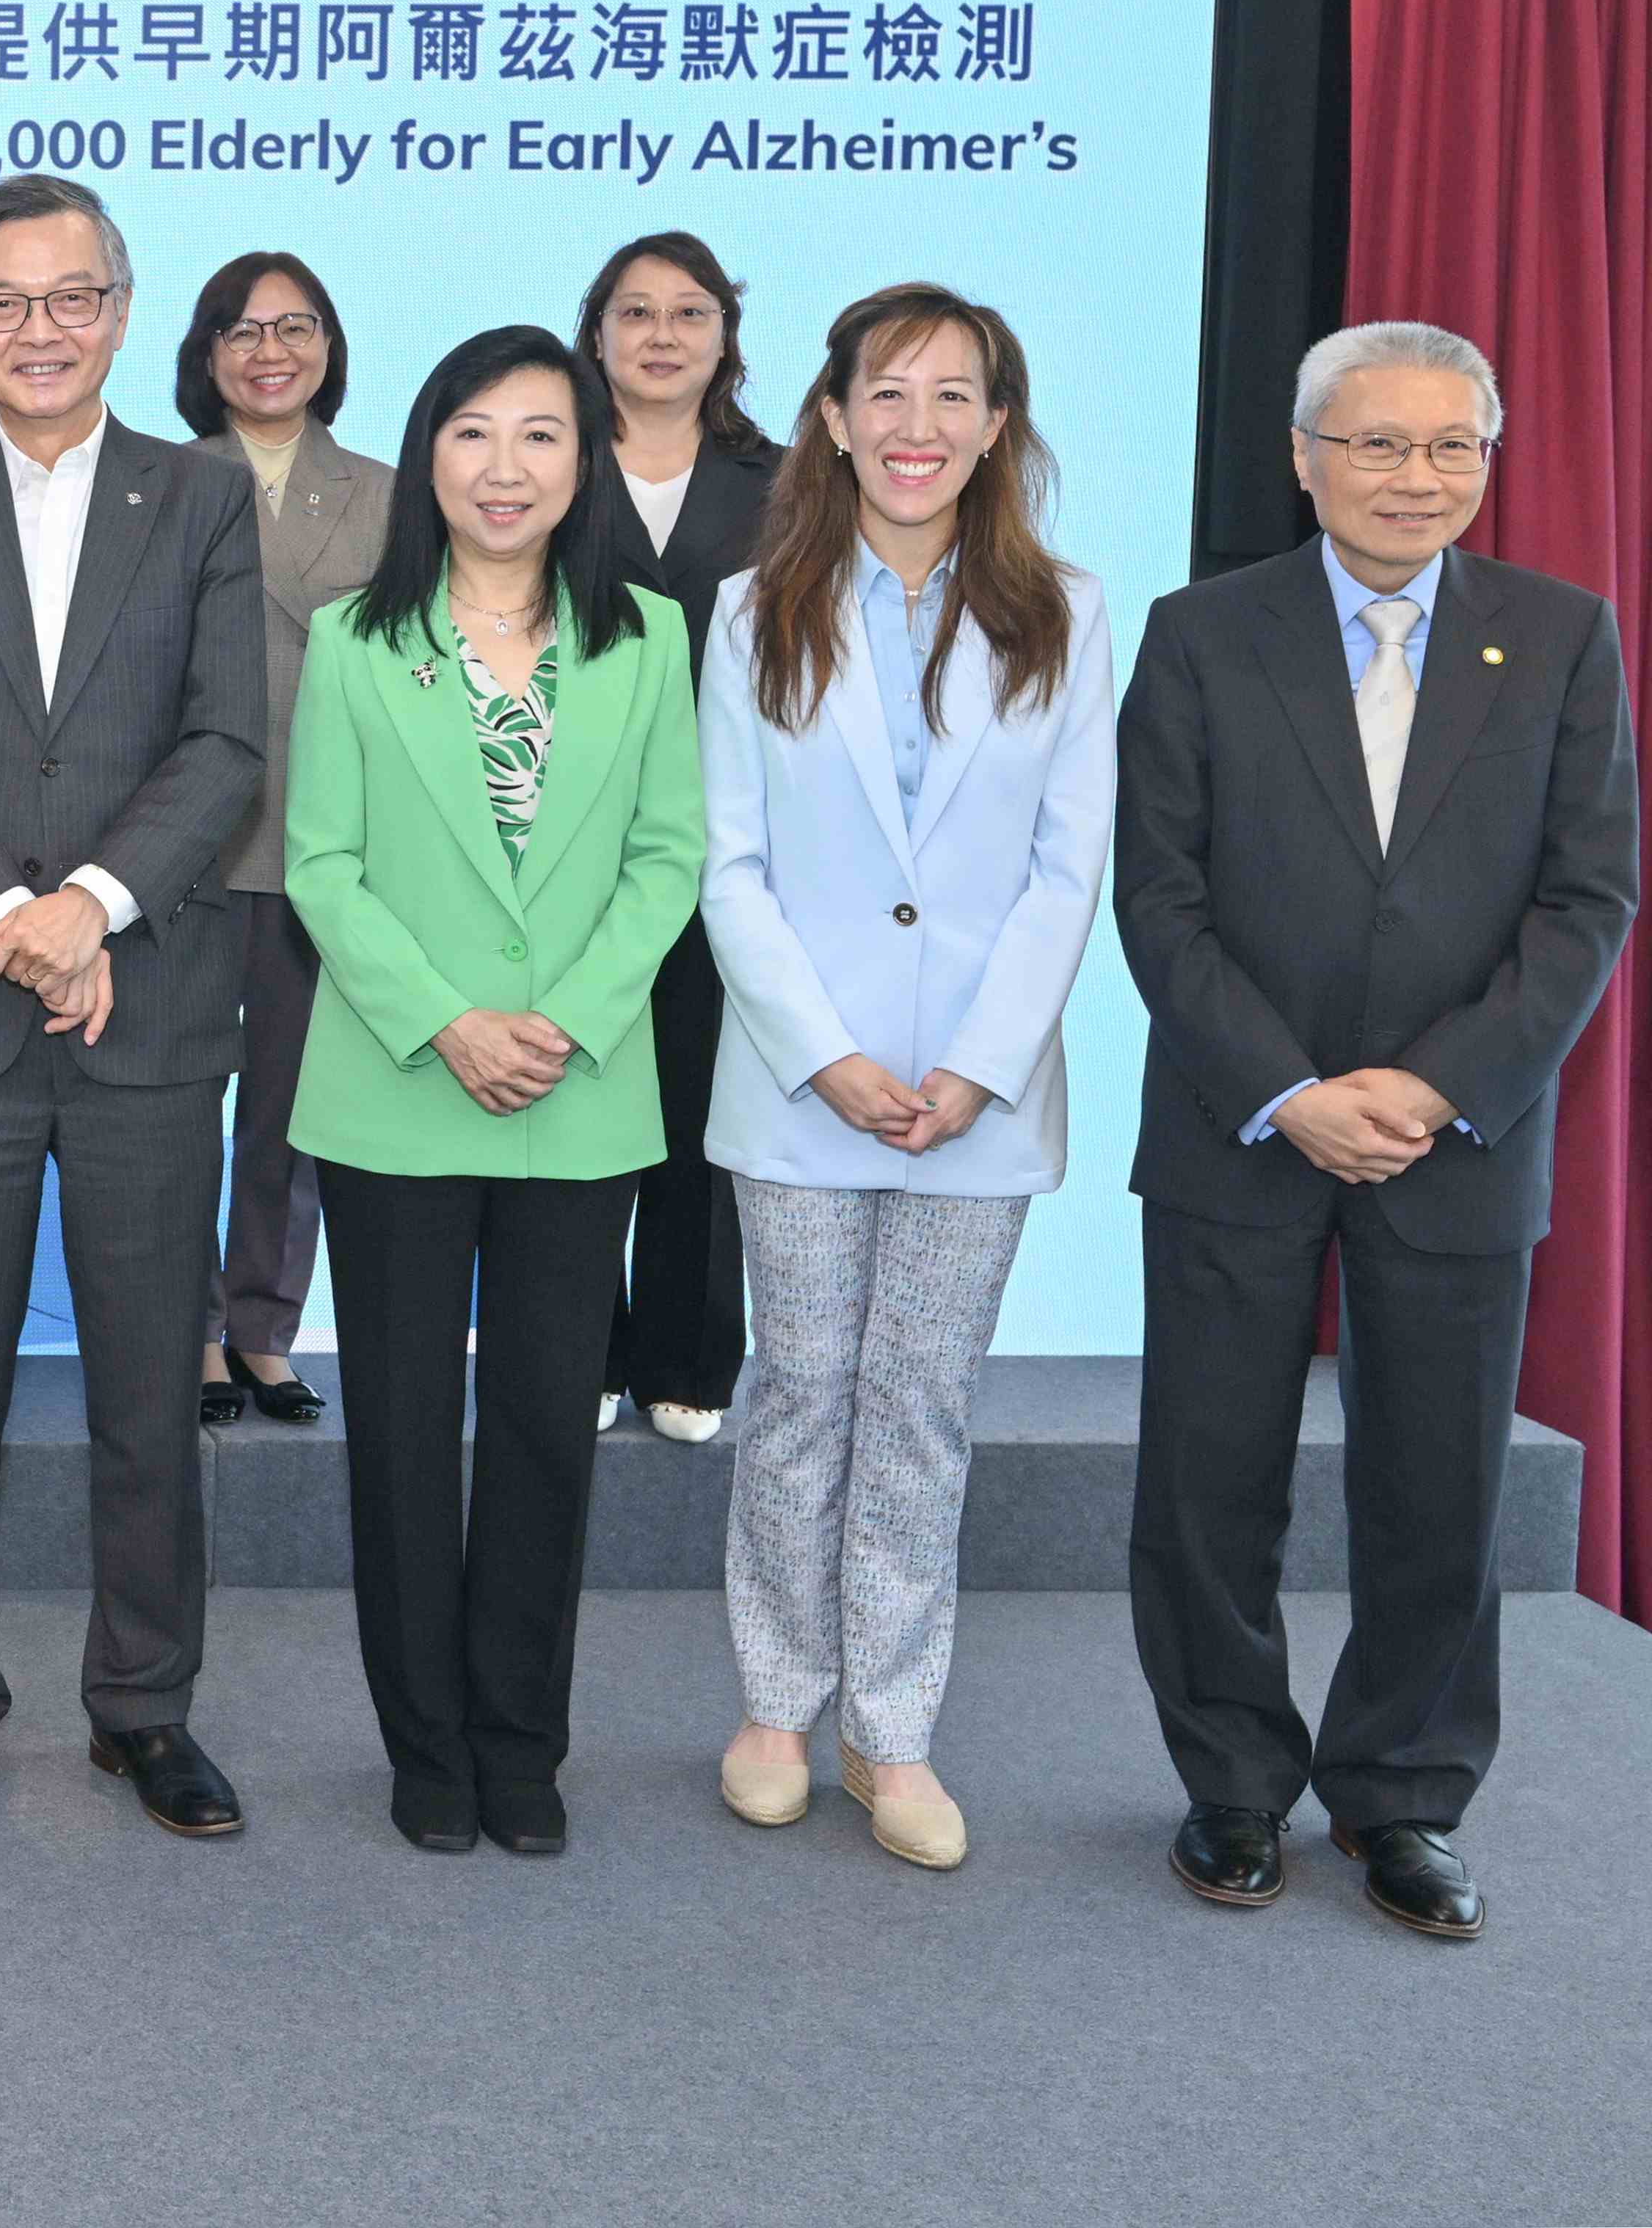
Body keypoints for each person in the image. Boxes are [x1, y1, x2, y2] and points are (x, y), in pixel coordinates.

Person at [1116, 321, 1637, 1941]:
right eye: (1380, 443)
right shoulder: (1201, 633)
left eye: (1450, 447)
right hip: (1240, 1125)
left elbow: (1587, 896)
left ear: (1485, 461)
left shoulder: (1560, 636)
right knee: (1212, 1479)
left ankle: (1403, 1794)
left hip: (1460, 1139)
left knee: (1438, 1486)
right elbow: (1161, 894)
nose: (1417, 476)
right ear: (1303, 458)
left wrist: (1436, 1084)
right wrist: (1288, 1089)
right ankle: (1231, 1786)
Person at [0, 174, 266, 1845]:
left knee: (150, 1384)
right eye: (1, 302)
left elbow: (225, 741)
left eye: (69, 297)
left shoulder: (204, 500)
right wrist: (18, 918)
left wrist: (95, 904)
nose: (37, 330)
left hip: (146, 1005)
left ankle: (145, 1704)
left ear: (121, 308)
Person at [698, 286, 1113, 1870]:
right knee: (800, 1396)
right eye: (887, 393)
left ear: (997, 425)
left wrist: (977, 1065)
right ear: (831, 418)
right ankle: (773, 1703)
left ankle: (896, 1731)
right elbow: (730, 869)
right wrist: (836, 1054)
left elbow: (1067, 874)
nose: (916, 425)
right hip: (805, 1085)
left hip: (979, 1099)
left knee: (924, 1406)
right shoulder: (753, 611)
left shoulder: (1066, 612)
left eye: (954, 396)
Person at [285, 327, 702, 1855]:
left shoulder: (650, 634)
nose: (505, 467)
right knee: (398, 1429)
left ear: (585, 460)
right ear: (427, 457)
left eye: (541, 435)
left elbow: (671, 857)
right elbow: (321, 864)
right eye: (472, 433)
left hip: (579, 1091)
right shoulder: (354, 636)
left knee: (544, 1424)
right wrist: (450, 1020)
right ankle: (425, 1740)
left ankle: (522, 1739)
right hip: (401, 1085)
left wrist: (569, 1021)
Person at [175, 250, 390, 1431]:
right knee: (173, 1108)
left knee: (290, 1107)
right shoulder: (152, 482)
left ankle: (262, 1328)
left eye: (295, 327)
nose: (272, 351)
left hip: (329, 846)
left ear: (328, 348)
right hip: (186, 844)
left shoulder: (389, 492)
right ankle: (186, 1331)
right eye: (244, 330)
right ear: (207, 356)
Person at [577, 230, 776, 1443]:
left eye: (686, 313)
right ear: (593, 330)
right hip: (563, 833)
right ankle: (582, 1344)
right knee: (578, 1089)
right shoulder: (539, 461)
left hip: (732, 834)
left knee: (704, 1099)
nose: (660, 335)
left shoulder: (792, 481)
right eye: (635, 312)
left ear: (722, 336)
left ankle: (687, 1358)